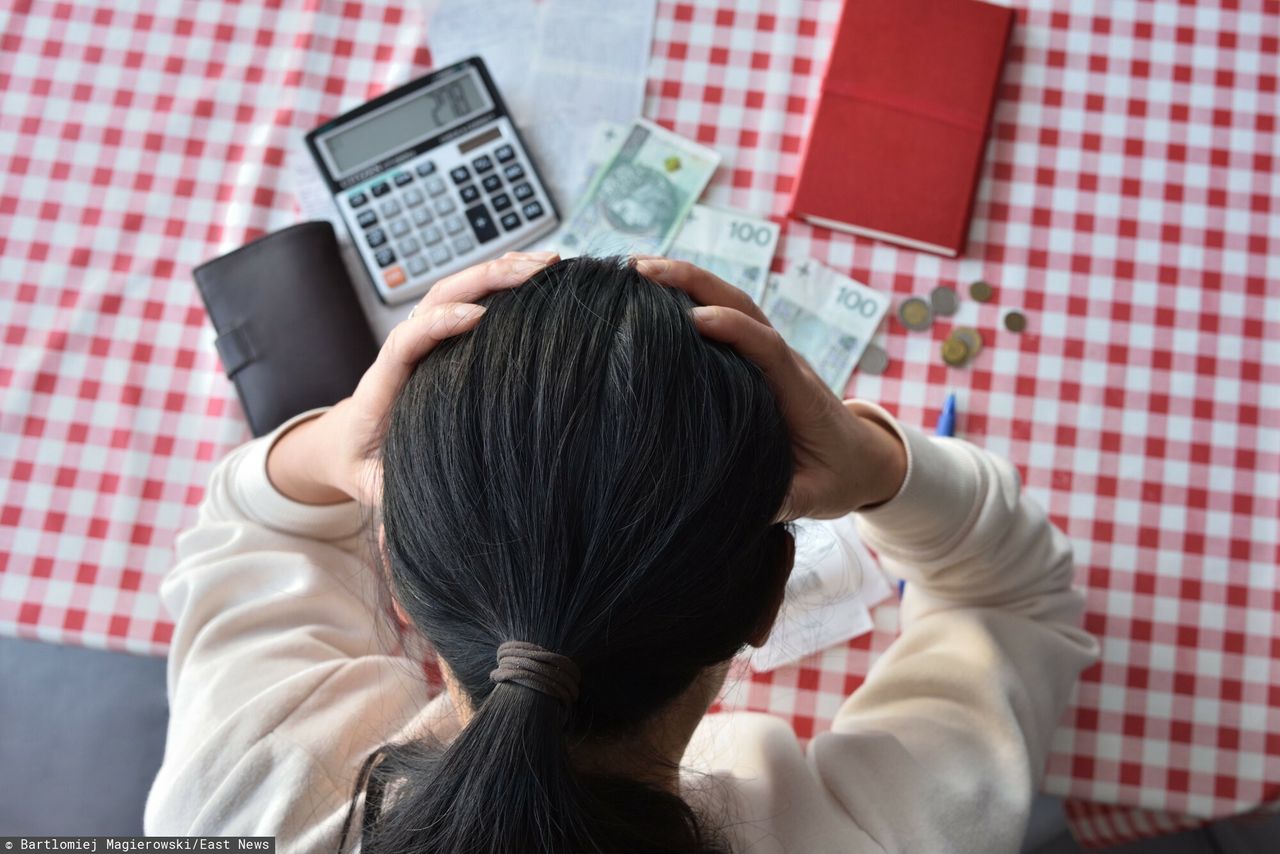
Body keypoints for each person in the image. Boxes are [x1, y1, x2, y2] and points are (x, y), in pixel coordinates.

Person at [144, 252, 1099, 853]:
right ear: (772, 599)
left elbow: (248, 525)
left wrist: (340, 433)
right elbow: (1012, 598)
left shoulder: (236, 810)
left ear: (395, 573)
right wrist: (880, 465)